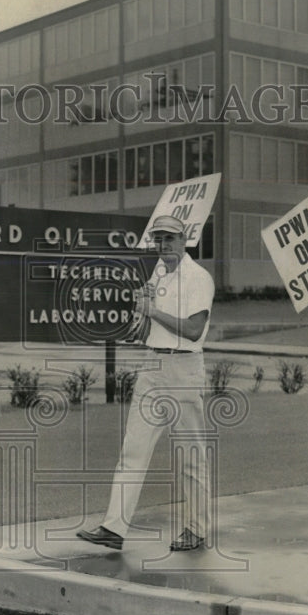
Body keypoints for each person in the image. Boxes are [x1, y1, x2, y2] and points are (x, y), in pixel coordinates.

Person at [77, 214, 215, 552]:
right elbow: (143, 328)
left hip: (184, 367)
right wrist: (140, 312)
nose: (163, 245)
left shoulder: (200, 277)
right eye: (158, 239)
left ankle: (196, 529)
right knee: (133, 448)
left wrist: (153, 311)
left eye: (170, 239)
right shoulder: (157, 273)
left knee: (190, 453)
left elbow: (195, 329)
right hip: (152, 364)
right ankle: (113, 528)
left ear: (185, 241)